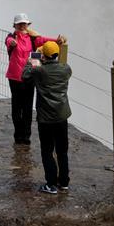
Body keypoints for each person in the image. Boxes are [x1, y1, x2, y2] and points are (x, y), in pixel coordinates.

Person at [4, 13, 64, 146]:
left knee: (27, 107)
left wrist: (56, 40)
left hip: (29, 77)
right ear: (15, 25)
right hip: (14, 77)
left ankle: (26, 136)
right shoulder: (11, 37)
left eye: (24, 24)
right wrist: (12, 42)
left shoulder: (32, 39)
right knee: (16, 107)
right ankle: (18, 134)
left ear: (27, 25)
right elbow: (8, 42)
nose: (22, 26)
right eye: (19, 24)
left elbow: (44, 41)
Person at [22, 41, 72, 194]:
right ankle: (64, 182)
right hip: (62, 116)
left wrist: (31, 61)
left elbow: (24, 76)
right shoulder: (66, 69)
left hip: (46, 118)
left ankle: (51, 184)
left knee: (47, 150)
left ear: (44, 55)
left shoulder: (40, 71)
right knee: (62, 150)